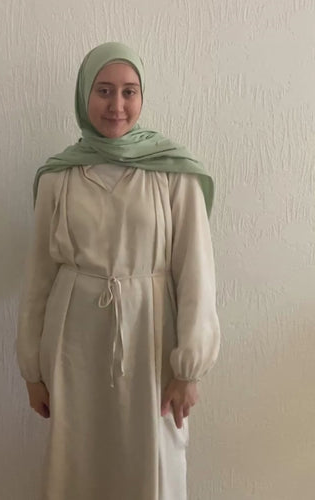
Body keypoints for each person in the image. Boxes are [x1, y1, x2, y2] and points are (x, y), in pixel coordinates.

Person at [16, 41, 220, 500]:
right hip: (73, 345)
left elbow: (196, 273)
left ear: (142, 96)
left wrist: (189, 366)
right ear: (84, 95)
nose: (117, 105)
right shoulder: (58, 178)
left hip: (152, 338)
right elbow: (38, 278)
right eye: (104, 90)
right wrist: (31, 369)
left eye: (129, 91)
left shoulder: (173, 173)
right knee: (78, 461)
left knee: (155, 459)